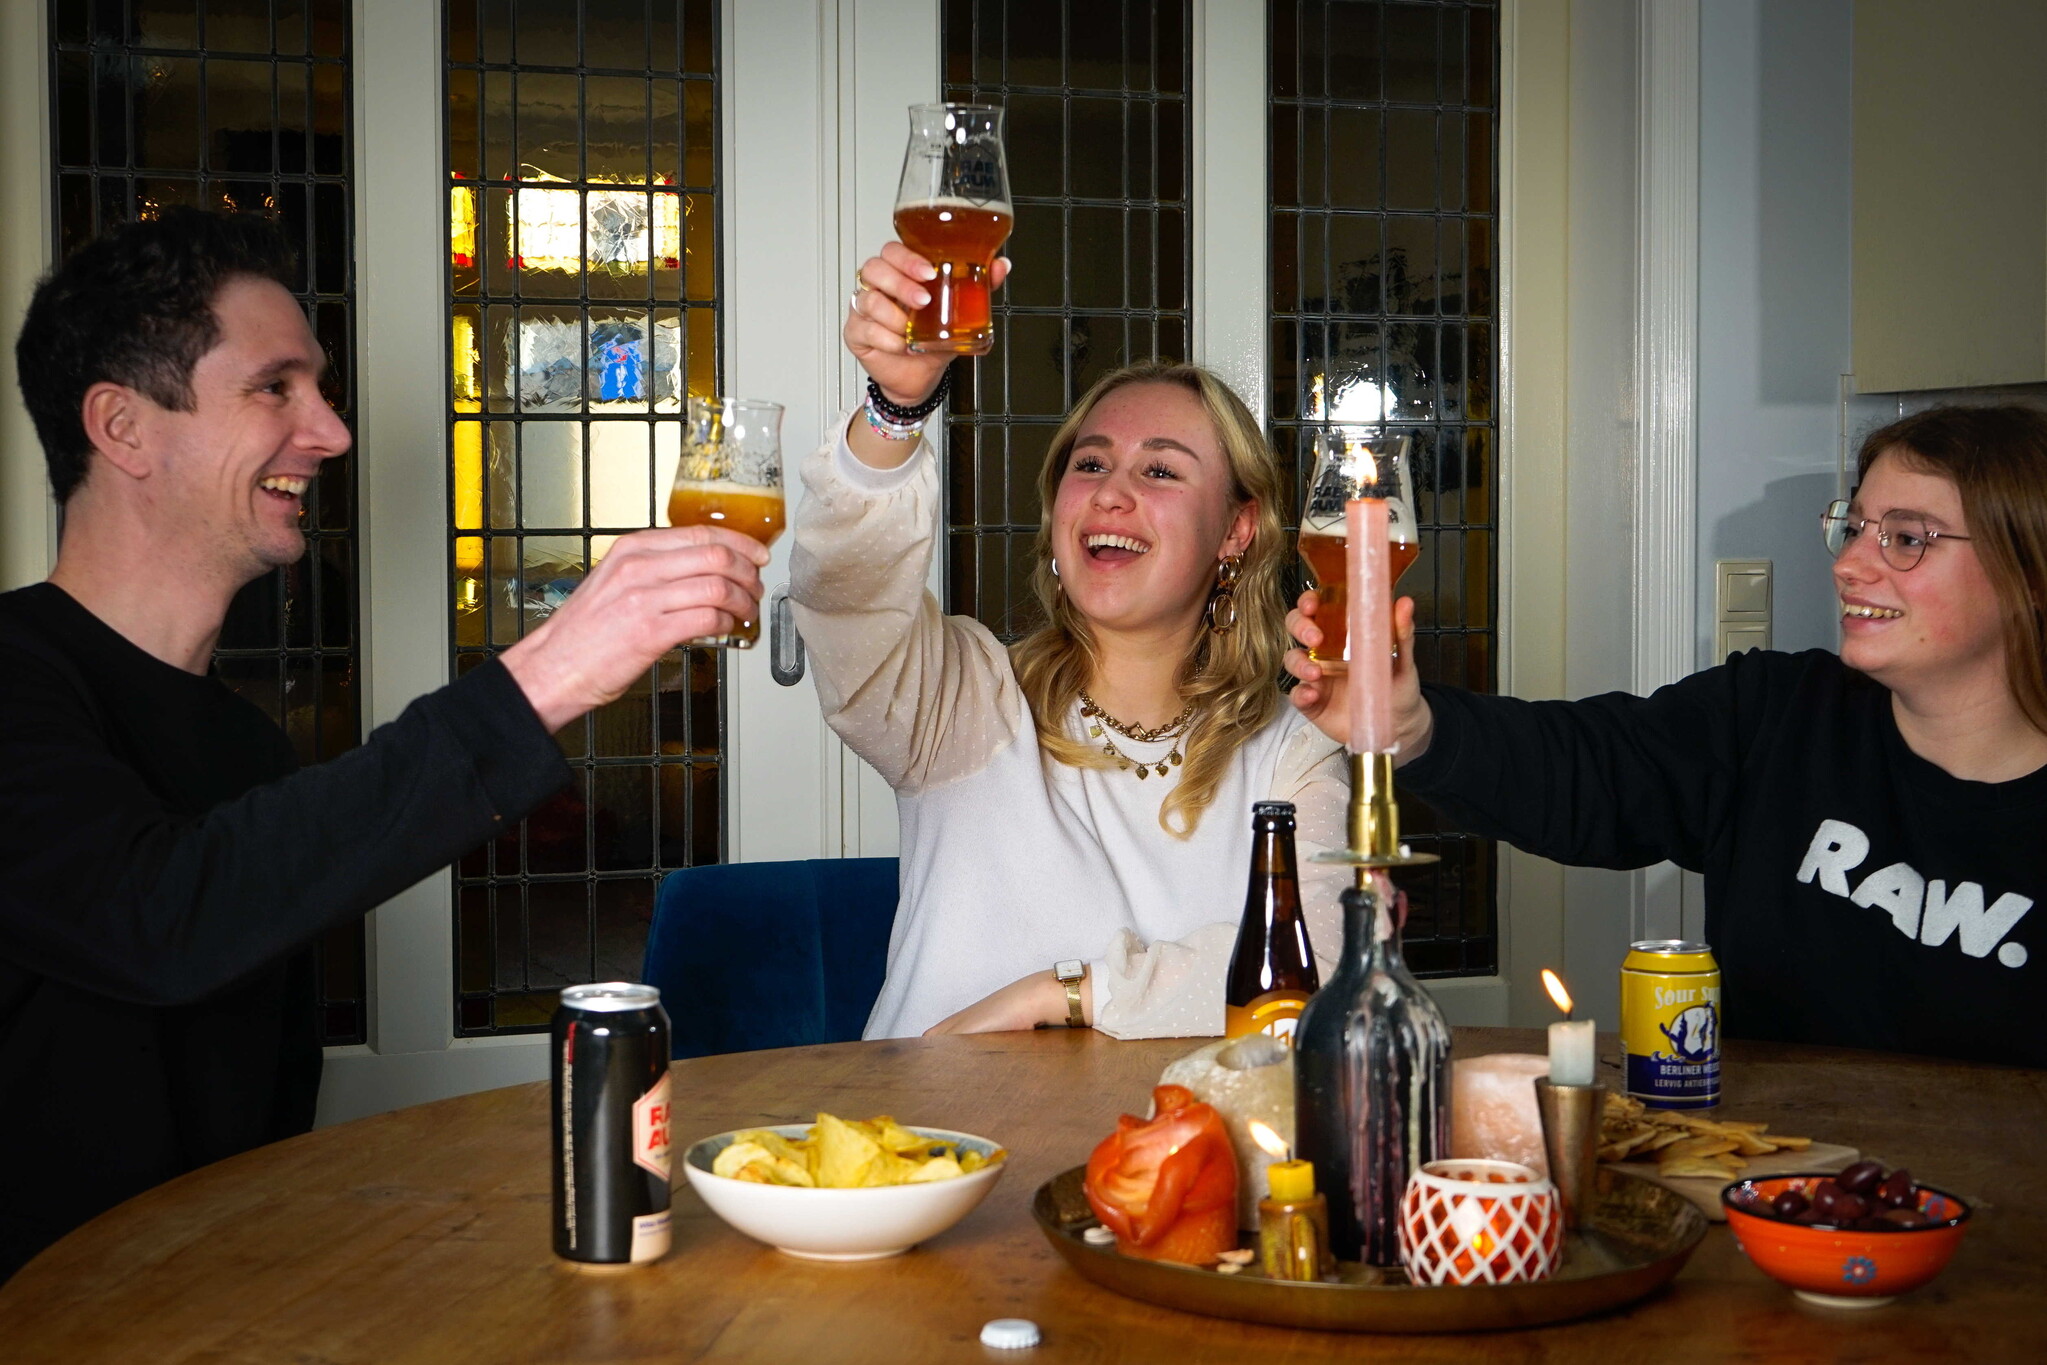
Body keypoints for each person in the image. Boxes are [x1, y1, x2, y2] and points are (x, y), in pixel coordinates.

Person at [0, 209, 769, 1278]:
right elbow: (159, 921)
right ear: (122, 426)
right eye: (276, 388)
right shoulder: (14, 678)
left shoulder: (243, 747)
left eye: (318, 388)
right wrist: (547, 673)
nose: (332, 432)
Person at [1286, 404, 2047, 1068]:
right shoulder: (1776, 714)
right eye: (1852, 528)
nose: (1849, 564)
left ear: (2027, 570)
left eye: (1905, 538)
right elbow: (1583, 767)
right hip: (1774, 1193)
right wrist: (1414, 726)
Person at [792, 242, 1350, 1041]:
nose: (1112, 493)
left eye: (1160, 472)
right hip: (932, 1148)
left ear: (1236, 528)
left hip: (1178, 1158)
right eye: (1089, 465)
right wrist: (895, 410)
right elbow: (844, 599)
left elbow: (1316, 973)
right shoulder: (963, 699)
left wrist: (1063, 994)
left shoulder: (1290, 750)